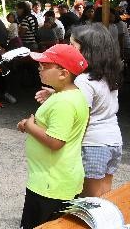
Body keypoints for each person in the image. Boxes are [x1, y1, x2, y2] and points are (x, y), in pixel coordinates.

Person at [36, 24, 123, 197]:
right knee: (105, 197)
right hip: (113, 141)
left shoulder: (83, 80)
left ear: (89, 51)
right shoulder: (107, 75)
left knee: (88, 202)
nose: (69, 50)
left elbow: (82, 115)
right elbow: (96, 103)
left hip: (92, 144)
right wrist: (55, 93)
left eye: (73, 46)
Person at [18, 44, 89, 228]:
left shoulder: (64, 103)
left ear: (63, 73)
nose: (39, 68)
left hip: (49, 185)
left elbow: (56, 141)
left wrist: (30, 126)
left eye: (44, 65)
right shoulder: (72, 95)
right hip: (59, 179)